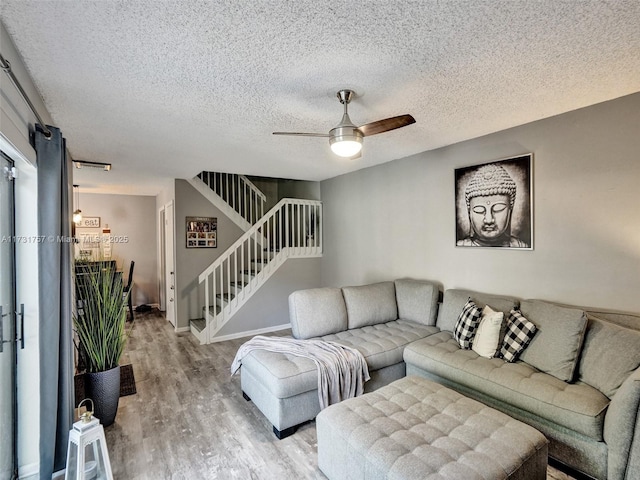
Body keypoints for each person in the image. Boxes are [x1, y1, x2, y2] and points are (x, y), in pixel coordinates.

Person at [457, 164, 529, 248]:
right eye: (479, 210)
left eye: (498, 209)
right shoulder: (462, 246)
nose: (489, 220)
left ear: (510, 210)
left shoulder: (520, 246)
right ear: (470, 214)